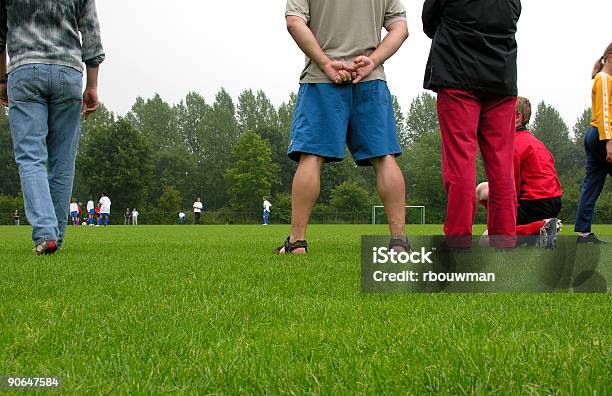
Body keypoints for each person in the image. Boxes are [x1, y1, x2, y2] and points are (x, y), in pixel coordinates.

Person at [278, 0, 410, 254]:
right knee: (384, 158)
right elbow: (400, 28)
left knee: (311, 158)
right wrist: (373, 61)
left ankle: (297, 242)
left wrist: (326, 63)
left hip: (321, 79)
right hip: (370, 79)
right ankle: (399, 243)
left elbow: (294, 22)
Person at [0, 0, 104, 255]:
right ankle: (54, 237)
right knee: (63, 161)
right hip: (68, 71)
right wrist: (92, 86)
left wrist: (2, 79)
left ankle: (46, 235)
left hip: (24, 70)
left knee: (31, 157)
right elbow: (91, 32)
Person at [422, 0, 521, 250]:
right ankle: (505, 241)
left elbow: (429, 21)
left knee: (460, 162)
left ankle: (457, 241)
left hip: (457, 76)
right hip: (501, 79)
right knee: (501, 165)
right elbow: (512, 18)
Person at [476, 97, 563, 248]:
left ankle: (541, 227)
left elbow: (511, 189)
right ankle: (536, 234)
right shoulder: (535, 142)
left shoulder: (514, 145)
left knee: (487, 241)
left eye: (503, 113)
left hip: (533, 203)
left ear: (517, 117)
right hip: (551, 201)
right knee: (482, 189)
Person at [574, 43, 612, 244]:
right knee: (591, 183)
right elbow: (606, 112)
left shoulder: (603, 79)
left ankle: (584, 234)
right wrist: (609, 143)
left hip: (594, 135)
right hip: (602, 135)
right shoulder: (604, 79)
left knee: (592, 183)